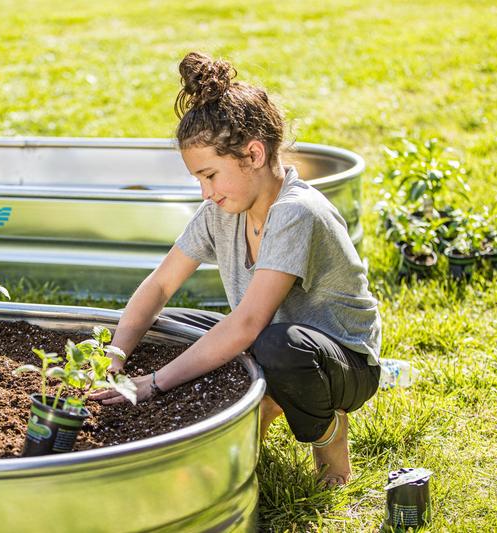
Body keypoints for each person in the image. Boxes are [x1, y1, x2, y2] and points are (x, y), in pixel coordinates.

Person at [90, 51, 381, 486]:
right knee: (174, 325)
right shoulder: (224, 210)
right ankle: (260, 406)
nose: (205, 192)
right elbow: (160, 285)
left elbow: (247, 324)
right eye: (198, 180)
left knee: (276, 345)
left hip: (341, 361)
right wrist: (115, 356)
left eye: (210, 175)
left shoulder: (296, 213)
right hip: (266, 336)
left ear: (254, 153)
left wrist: (154, 383)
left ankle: (329, 438)